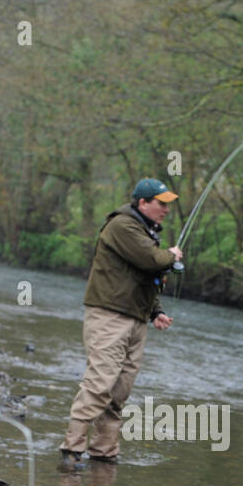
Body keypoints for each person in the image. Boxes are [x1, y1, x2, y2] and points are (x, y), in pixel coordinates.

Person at [59, 178, 181, 466]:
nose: (166, 209)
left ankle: (104, 453)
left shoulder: (144, 231)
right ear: (143, 203)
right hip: (109, 316)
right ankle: (71, 449)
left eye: (167, 204)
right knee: (100, 383)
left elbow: (143, 277)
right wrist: (171, 255)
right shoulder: (122, 226)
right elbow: (151, 260)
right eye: (161, 203)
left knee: (120, 390)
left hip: (136, 318)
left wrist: (155, 311)